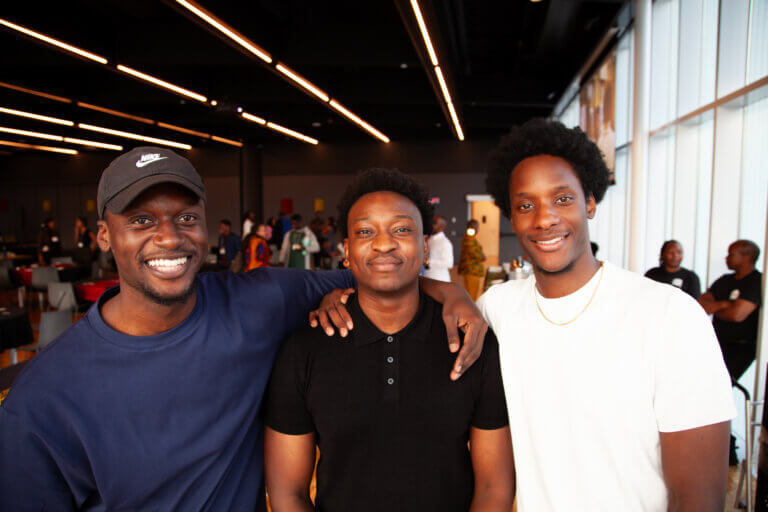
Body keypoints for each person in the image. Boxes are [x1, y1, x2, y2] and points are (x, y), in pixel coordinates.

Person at [0, 146, 486, 511]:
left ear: (207, 227)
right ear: (104, 235)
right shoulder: (43, 399)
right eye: (142, 220)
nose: (169, 236)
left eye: (186, 217)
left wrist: (452, 293)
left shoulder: (258, 302)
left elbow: (380, 273)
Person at [479, 119, 734, 511]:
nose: (544, 218)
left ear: (591, 202)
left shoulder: (669, 316)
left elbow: (699, 497)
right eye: (526, 205)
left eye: (562, 199)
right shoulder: (497, 308)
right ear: (513, 218)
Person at [265, 168, 513, 511]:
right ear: (347, 251)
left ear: (424, 247)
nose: (384, 243)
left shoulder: (470, 342)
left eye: (401, 229)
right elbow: (287, 493)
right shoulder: (304, 350)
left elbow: (493, 488)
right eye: (366, 231)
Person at [699, 240, 762, 465]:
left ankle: (727, 449)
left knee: (721, 389)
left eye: (731, 253)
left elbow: (738, 315)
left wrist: (721, 307)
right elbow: (701, 304)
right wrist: (726, 305)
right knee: (705, 389)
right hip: (717, 344)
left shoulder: (757, 281)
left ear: (746, 256)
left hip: (743, 348)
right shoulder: (725, 281)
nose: (727, 258)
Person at [458, 219, 485, 300]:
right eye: (477, 227)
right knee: (471, 295)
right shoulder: (469, 237)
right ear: (472, 227)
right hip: (471, 270)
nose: (477, 229)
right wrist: (482, 256)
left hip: (473, 270)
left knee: (473, 294)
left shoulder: (471, 237)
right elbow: (473, 252)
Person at [424, 215, 454, 282]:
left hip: (439, 279)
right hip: (427, 277)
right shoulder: (430, 239)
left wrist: (428, 262)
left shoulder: (445, 242)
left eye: (434, 223)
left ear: (441, 227)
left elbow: (449, 263)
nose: (431, 225)